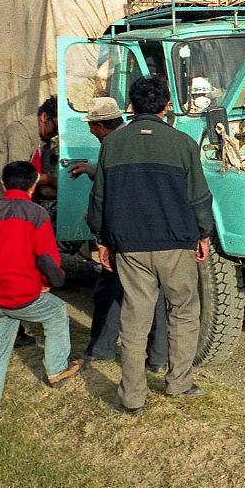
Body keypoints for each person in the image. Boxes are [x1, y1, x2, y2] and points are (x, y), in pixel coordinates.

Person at [87, 77, 214, 414]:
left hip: (130, 247)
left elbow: (99, 198)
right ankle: (179, 383)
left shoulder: (112, 145)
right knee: (184, 312)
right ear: (166, 106)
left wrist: (102, 240)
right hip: (176, 243)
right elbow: (199, 197)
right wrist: (204, 234)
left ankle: (132, 397)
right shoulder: (183, 143)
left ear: (130, 107)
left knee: (135, 317)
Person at [0, 161, 83, 440]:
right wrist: (53, 283)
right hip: (25, 297)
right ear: (33, 186)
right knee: (57, 312)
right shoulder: (37, 214)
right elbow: (47, 258)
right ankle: (56, 370)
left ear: (4, 185)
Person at [71, 98, 168, 371]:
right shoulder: (150, 140)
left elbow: (104, 195)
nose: (91, 130)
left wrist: (99, 234)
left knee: (110, 290)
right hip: (155, 230)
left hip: (122, 233)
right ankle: (158, 357)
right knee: (155, 293)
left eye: (92, 126)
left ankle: (101, 348)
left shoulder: (112, 146)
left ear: (100, 126)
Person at [0, 96, 59, 215]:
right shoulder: (19, 130)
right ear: (44, 117)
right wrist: (50, 180)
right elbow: (19, 174)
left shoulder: (44, 137)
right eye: (56, 129)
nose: (56, 134)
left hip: (17, 201)